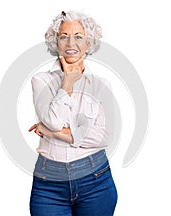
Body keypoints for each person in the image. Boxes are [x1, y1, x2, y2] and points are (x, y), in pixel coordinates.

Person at [28, 10, 118, 216]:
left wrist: (53, 134)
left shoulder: (101, 86)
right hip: (48, 184)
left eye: (78, 36)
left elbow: (105, 136)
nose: (71, 43)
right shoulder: (40, 81)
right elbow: (52, 120)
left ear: (88, 43)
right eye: (63, 36)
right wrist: (66, 84)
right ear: (55, 42)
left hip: (97, 181)